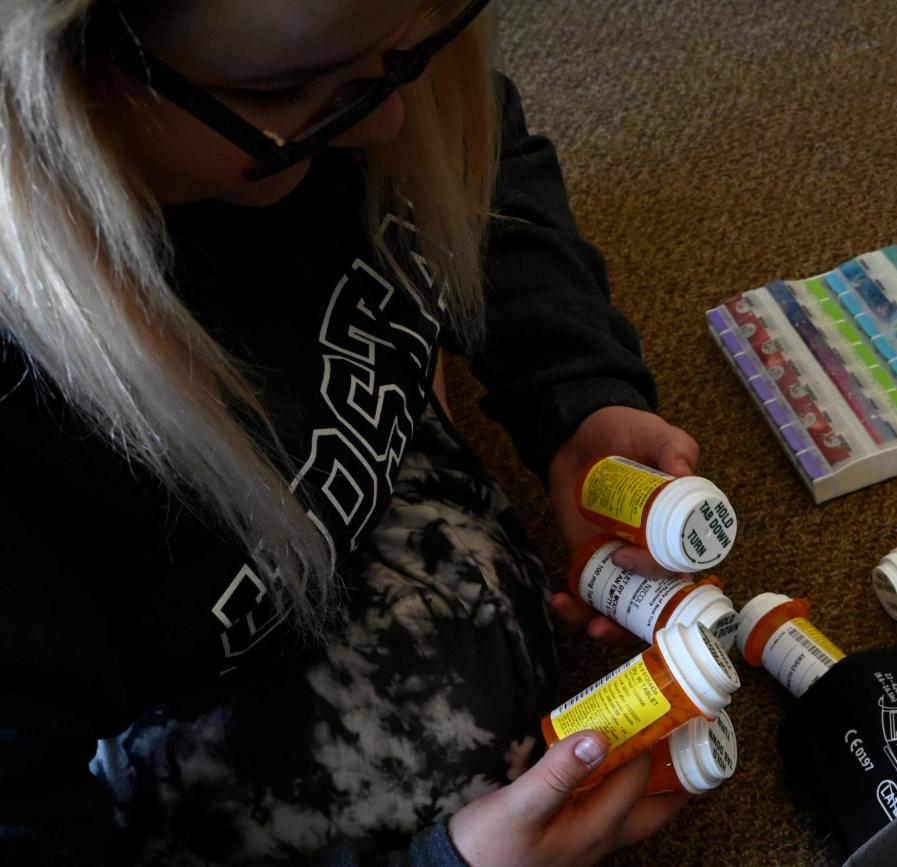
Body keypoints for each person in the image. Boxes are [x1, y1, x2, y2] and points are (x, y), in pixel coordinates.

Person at [0, 0, 701, 864]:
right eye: (292, 90)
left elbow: (478, 157)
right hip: (128, 660)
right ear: (56, 88)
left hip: (292, 472)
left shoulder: (359, 92)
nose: (386, 120)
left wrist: (574, 390)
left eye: (409, 52)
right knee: (437, 767)